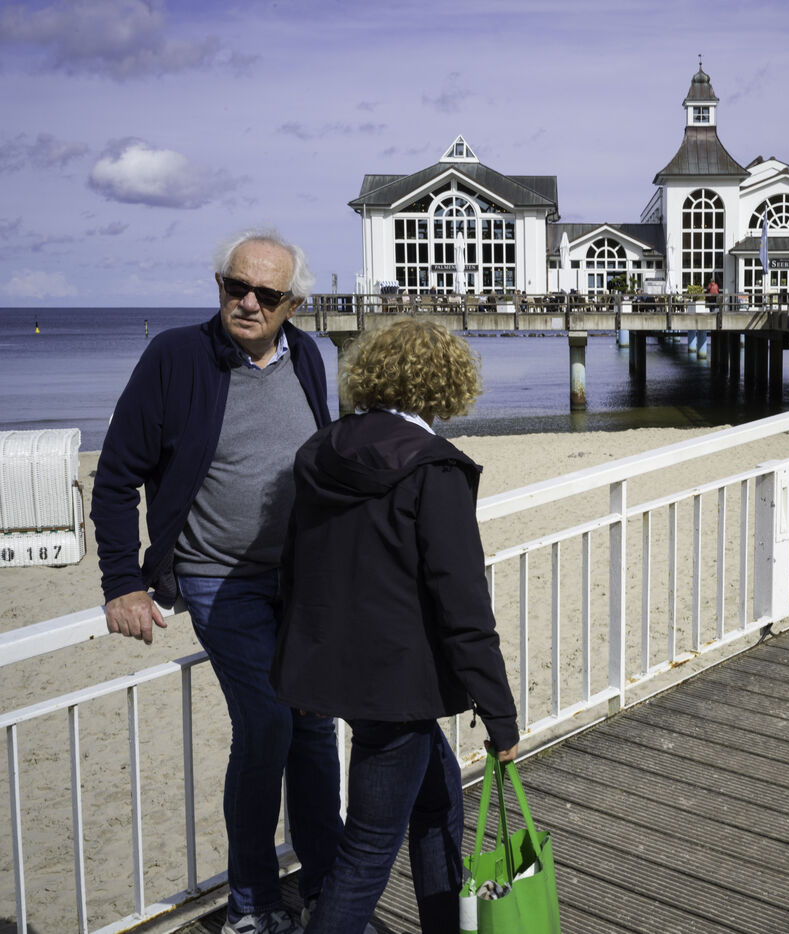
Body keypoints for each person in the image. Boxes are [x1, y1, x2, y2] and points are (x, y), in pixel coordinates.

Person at [91, 229, 342, 934]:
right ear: (219, 287)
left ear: (293, 304)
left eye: (267, 293)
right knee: (266, 724)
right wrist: (122, 581)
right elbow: (115, 477)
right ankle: (252, 905)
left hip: (302, 579)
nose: (249, 302)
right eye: (237, 286)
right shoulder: (176, 357)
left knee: (315, 726)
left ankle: (325, 889)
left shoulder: (308, 356)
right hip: (216, 578)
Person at [271, 318, 520, 934]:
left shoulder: (321, 451)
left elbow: (297, 570)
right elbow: (463, 603)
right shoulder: (434, 468)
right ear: (447, 384)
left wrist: (299, 673)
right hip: (397, 686)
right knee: (365, 854)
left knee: (439, 802)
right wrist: (499, 714)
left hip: (341, 674)